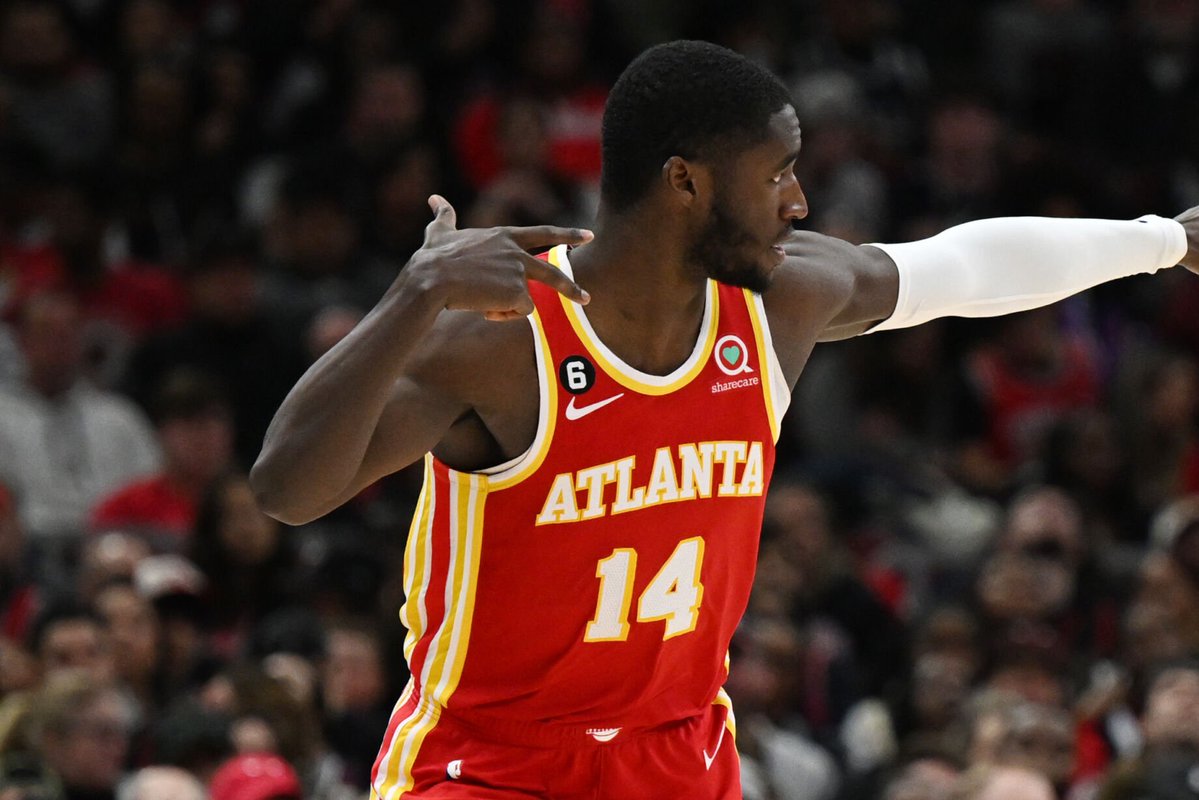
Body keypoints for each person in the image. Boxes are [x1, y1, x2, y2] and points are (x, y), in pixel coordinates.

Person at [251, 40, 1199, 799]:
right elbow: (287, 490)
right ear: (686, 183)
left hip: (678, 754)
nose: (799, 200)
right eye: (777, 171)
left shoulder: (781, 301)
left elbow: (963, 269)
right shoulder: (498, 339)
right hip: (491, 766)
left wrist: (1167, 241)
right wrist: (410, 296)